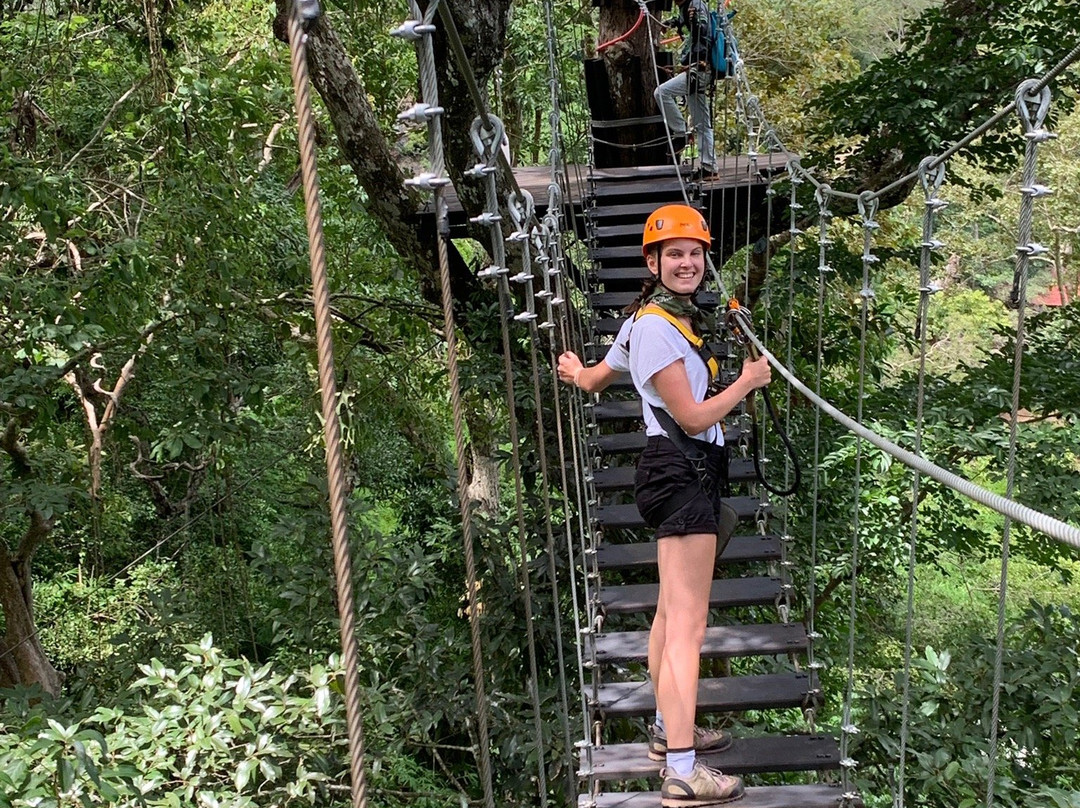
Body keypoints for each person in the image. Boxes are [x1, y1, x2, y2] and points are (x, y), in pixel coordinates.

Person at [561, 204, 770, 805]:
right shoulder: (656, 327)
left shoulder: (649, 322)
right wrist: (747, 383)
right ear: (652, 262)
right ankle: (682, 769)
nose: (687, 262)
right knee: (688, 626)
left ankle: (665, 731)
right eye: (674, 253)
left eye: (695, 253)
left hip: (679, 474)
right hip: (680, 473)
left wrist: (578, 372)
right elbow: (694, 415)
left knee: (667, 616)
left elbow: (600, 379)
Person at [655, 0, 718, 177]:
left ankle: (681, 131)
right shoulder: (687, 6)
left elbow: (703, 34)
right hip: (700, 69)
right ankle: (709, 168)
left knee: (661, 92)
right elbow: (689, 24)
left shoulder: (695, 5)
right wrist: (672, 22)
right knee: (702, 122)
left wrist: (692, 62)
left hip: (699, 69)